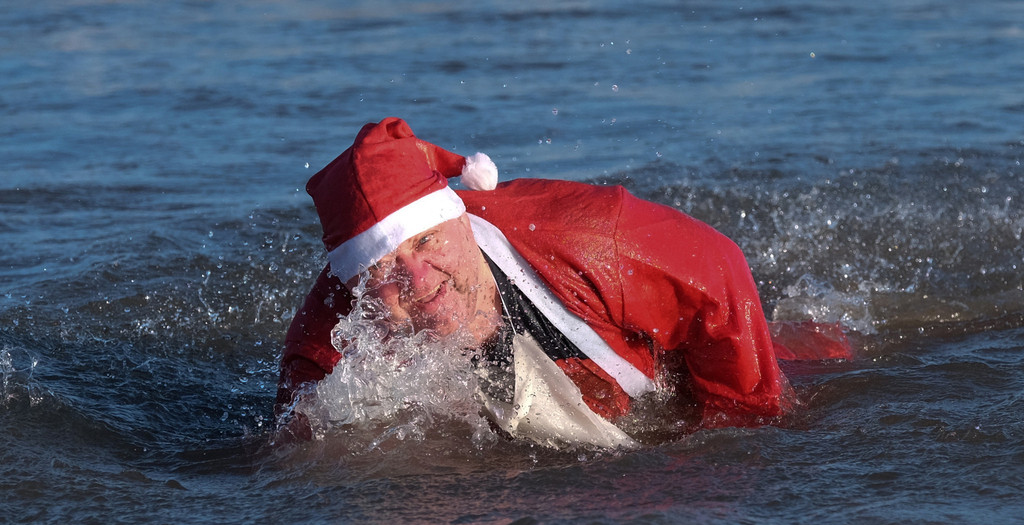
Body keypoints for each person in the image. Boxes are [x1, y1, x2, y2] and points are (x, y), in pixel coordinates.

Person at [275, 117, 851, 442]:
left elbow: (718, 271)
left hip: (672, 370)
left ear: (456, 217)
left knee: (822, 357)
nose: (418, 278)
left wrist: (735, 429)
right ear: (351, 281)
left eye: (425, 242)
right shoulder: (335, 330)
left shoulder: (591, 236)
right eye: (383, 269)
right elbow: (299, 440)